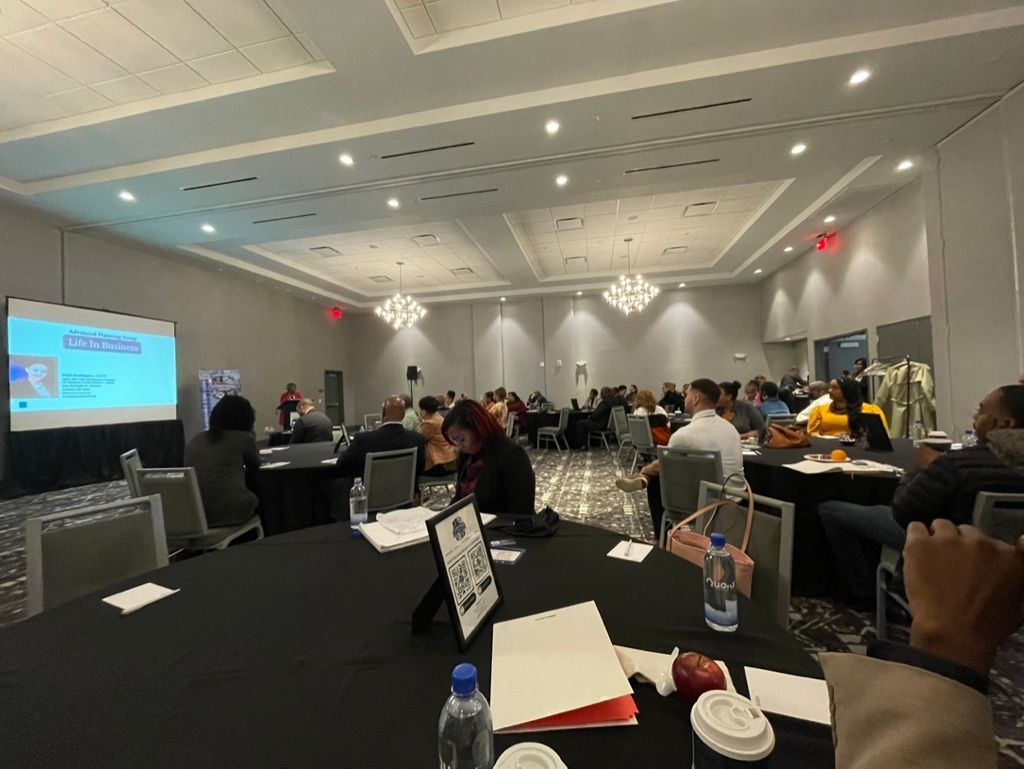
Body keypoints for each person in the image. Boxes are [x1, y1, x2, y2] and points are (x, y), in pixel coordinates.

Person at [821, 520, 1024, 769]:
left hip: (942, 552)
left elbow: (906, 508)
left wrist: (947, 647)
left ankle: (861, 591)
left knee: (831, 510)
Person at [818, 385, 1024, 604]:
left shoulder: (957, 465)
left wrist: (921, 469)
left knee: (830, 510)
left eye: (981, 411)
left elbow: (903, 511)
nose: (975, 416)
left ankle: (867, 594)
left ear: (1004, 424)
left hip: (948, 548)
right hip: (1013, 559)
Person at [616, 379, 744, 537]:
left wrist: (645, 469)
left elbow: (662, 465)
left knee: (657, 480)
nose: (684, 398)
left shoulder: (685, 434)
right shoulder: (731, 429)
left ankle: (661, 537)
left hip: (708, 502)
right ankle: (643, 479)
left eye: (687, 394)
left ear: (695, 398)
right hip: (737, 497)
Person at [333, 395, 426, 516]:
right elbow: (420, 468)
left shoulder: (363, 439)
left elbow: (341, 465)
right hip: (403, 498)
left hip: (367, 500)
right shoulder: (417, 439)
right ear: (403, 415)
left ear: (383, 415)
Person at [443, 400, 535, 516]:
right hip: (472, 525)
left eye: (461, 439)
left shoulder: (512, 455)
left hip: (502, 529)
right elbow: (459, 498)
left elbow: (522, 512)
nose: (459, 446)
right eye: (454, 441)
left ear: (478, 428)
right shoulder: (467, 455)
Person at [184, 394, 261, 527]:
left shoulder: (196, 440)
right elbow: (255, 465)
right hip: (232, 511)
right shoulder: (243, 438)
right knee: (259, 496)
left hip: (198, 515)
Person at [807, 377, 888, 437]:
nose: (829, 391)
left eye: (835, 388)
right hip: (827, 447)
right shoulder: (820, 410)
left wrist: (851, 435)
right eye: (830, 387)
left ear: (847, 390)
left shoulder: (870, 410)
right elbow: (812, 433)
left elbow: (881, 435)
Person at [418, 395, 457, 476]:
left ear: (423, 411)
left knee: (412, 471)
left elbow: (419, 440)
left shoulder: (429, 424)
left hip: (439, 464)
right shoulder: (439, 417)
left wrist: (421, 419)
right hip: (450, 460)